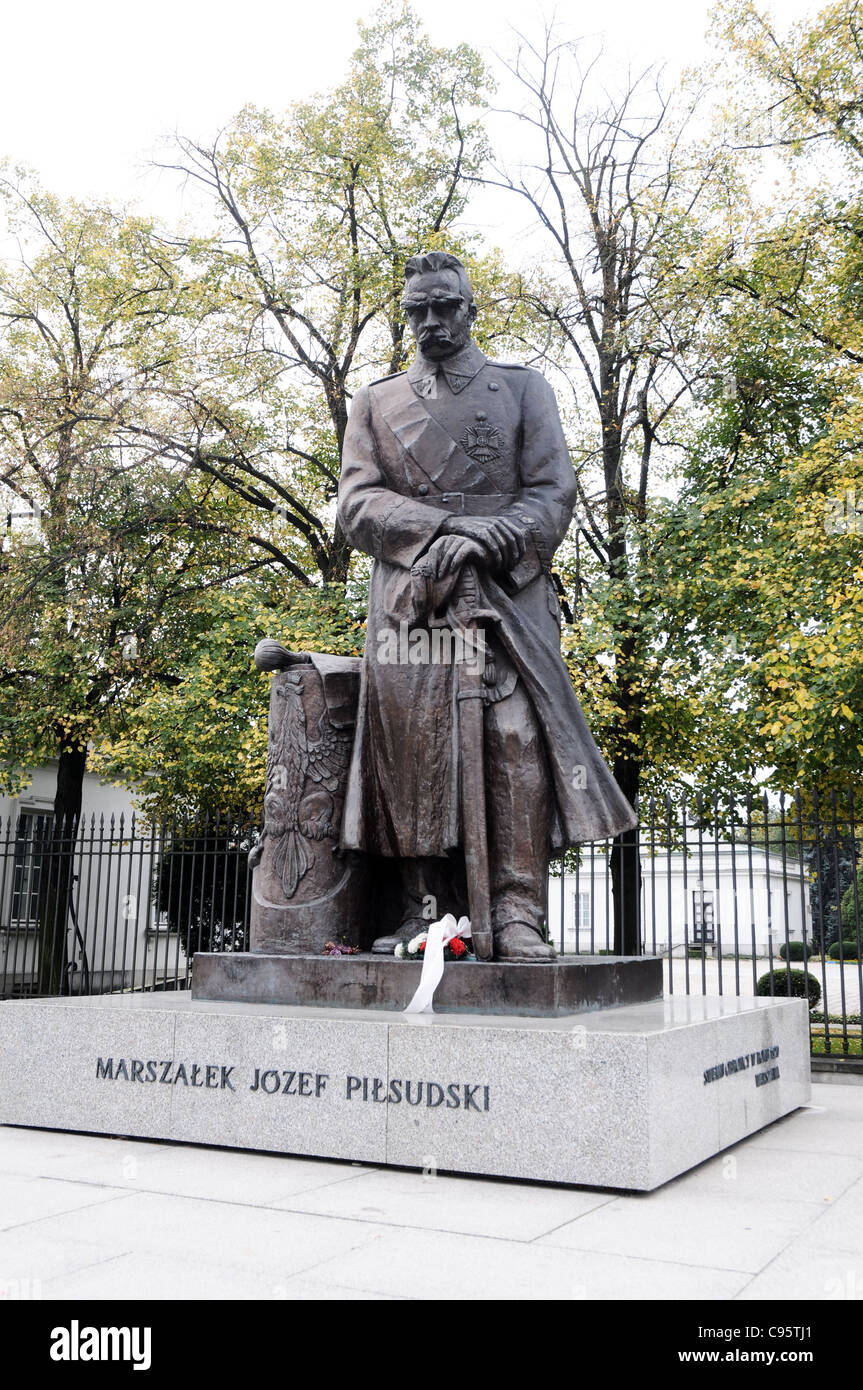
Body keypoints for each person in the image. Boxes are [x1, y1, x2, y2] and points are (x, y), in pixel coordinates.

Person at [337, 251, 636, 961]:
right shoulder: (375, 402)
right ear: (405, 315)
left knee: (514, 740)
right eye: (418, 310)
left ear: (470, 309)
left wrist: (496, 537)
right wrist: (444, 530)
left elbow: (553, 489)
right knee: (412, 750)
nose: (432, 321)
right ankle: (424, 910)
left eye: (446, 306)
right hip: (411, 598)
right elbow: (355, 503)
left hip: (508, 595)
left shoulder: (521, 390)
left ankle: (518, 910)